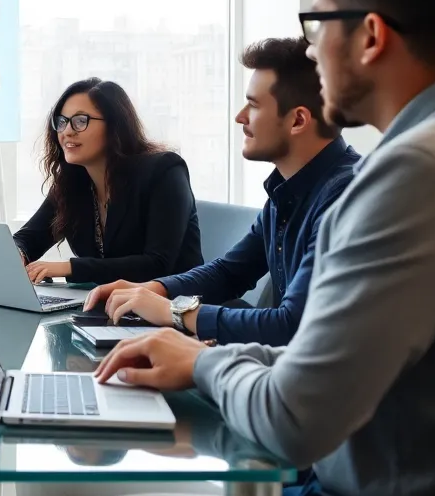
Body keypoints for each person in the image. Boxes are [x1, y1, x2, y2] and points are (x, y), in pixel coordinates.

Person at [72, 0, 435, 496]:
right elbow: (324, 358)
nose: (311, 49)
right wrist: (188, 337)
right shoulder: (432, 153)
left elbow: (294, 419)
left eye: (318, 25)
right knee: (68, 495)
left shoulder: (416, 175)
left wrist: (199, 356)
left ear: (370, 35)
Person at [82, 38, 360, 346]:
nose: (240, 117)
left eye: (253, 105)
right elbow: (229, 273)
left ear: (297, 120)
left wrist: (173, 311)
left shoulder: (345, 196)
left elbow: (291, 325)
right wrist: (152, 289)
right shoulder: (286, 191)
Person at [12, 78, 203, 286]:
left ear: (115, 125)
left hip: (176, 307)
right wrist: (18, 253)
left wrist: (68, 267)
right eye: (62, 121)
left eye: (80, 121)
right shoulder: (73, 183)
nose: (67, 131)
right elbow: (28, 238)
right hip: (108, 306)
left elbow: (157, 264)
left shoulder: (164, 171)